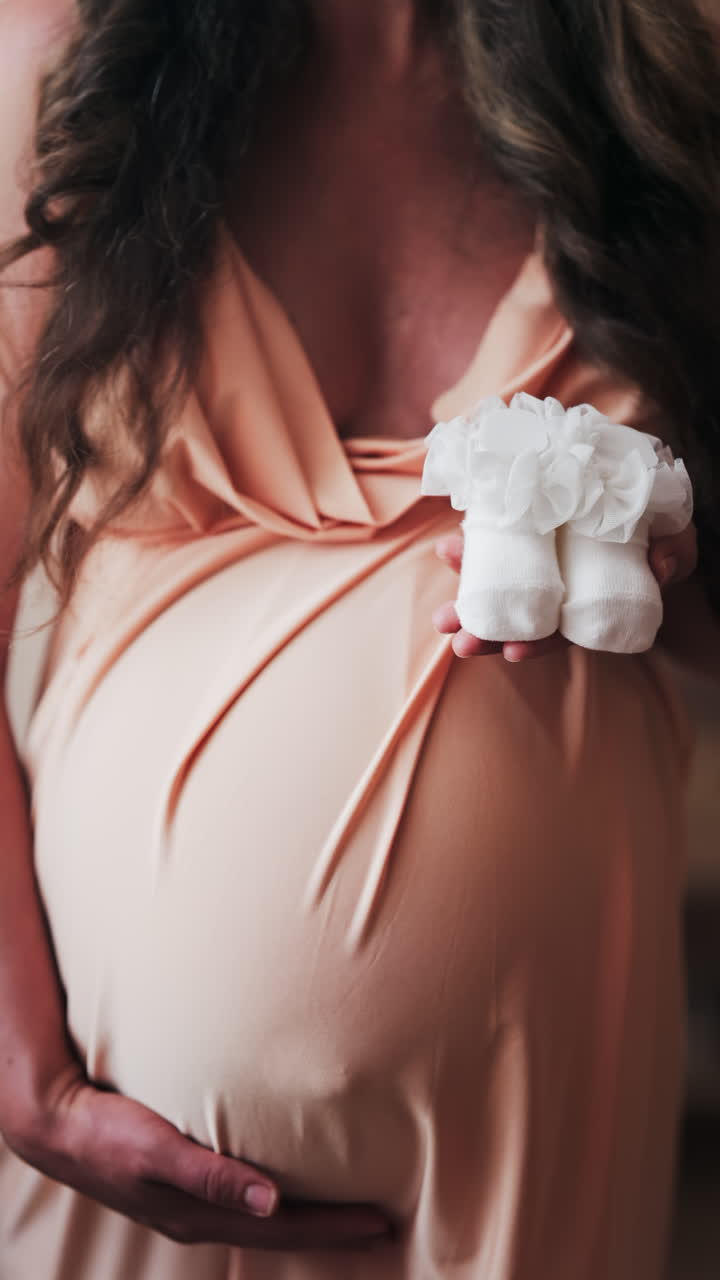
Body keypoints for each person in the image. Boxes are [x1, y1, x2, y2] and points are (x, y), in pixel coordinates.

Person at [0, 1, 718, 1276]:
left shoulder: (662, 61)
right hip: (110, 1184)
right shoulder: (59, 51)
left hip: (536, 1144)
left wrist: (677, 564)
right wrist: (20, 1071)